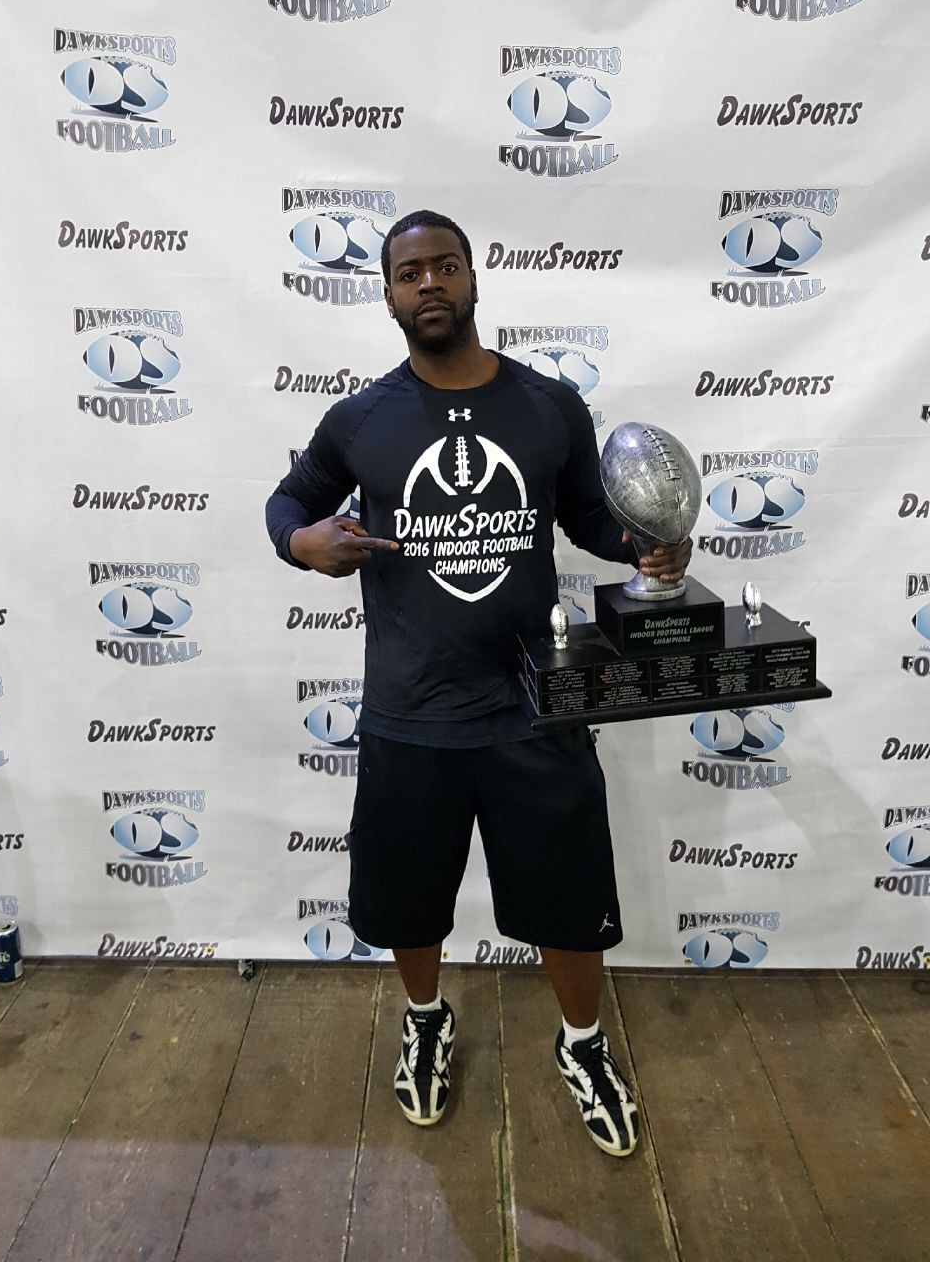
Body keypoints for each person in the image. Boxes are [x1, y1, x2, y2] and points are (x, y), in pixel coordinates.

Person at [265, 210, 691, 1157]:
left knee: (569, 899)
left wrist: (645, 545)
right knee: (408, 901)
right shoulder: (360, 419)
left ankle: (583, 1042)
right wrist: (302, 541)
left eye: (445, 265)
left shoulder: (548, 406)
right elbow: (289, 501)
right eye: (409, 272)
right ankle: (426, 1019)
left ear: (472, 278)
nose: (429, 283)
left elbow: (590, 517)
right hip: (410, 711)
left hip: (536, 704)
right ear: (387, 295)